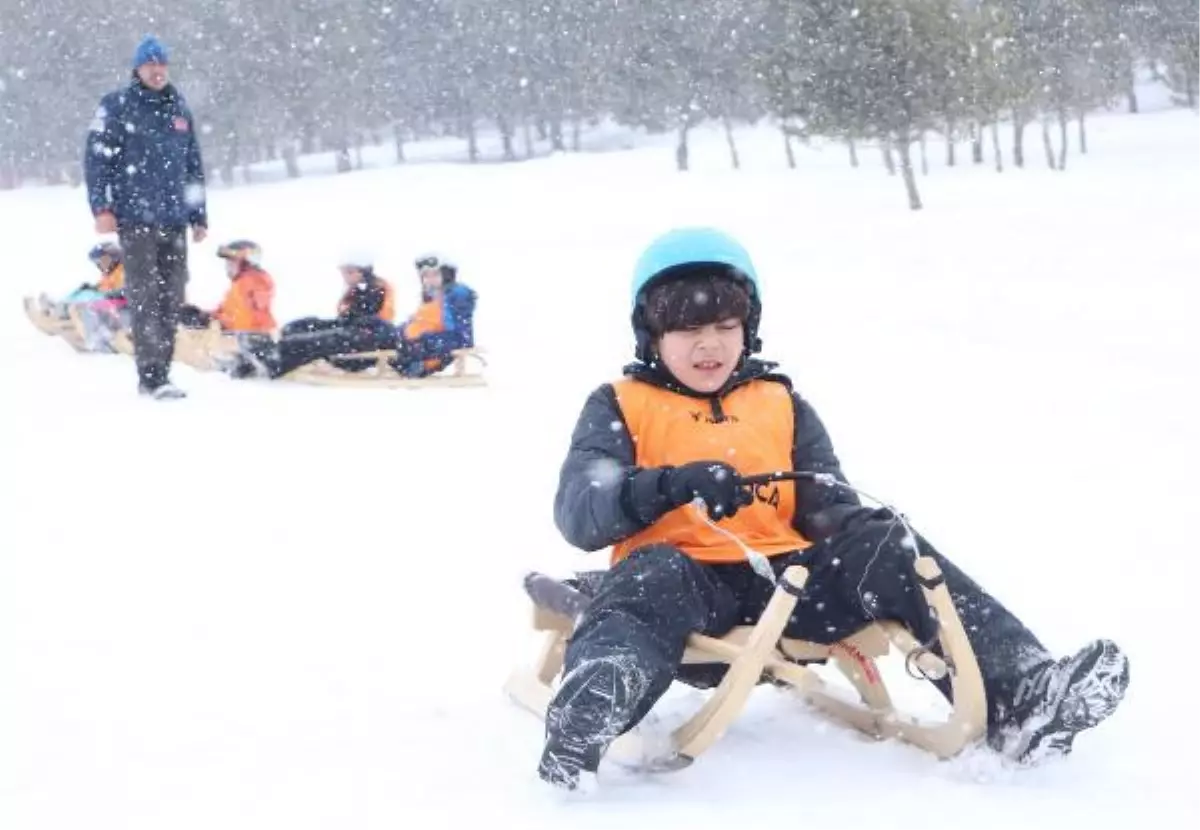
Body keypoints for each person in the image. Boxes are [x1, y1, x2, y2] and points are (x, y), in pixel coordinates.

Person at [537, 227, 1130, 790]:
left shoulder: (780, 403)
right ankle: (594, 706)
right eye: (687, 328)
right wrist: (669, 486)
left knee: (883, 541)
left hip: (790, 585)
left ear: (750, 327)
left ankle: (1025, 693)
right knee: (651, 577)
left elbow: (826, 507)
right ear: (651, 335)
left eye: (724, 323)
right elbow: (581, 512)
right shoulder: (620, 403)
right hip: (685, 590)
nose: (709, 343)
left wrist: (861, 533)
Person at [83, 34, 208, 400]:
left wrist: (198, 214)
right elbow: (97, 161)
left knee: (172, 296)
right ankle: (151, 376)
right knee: (145, 296)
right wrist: (102, 209)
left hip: (173, 220)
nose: (158, 70)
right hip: (136, 218)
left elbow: (193, 166)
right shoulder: (117, 106)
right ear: (138, 69)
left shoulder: (179, 109)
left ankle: (163, 372)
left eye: (162, 63)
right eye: (151, 64)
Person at [225, 255, 396, 379]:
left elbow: (369, 320)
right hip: (354, 332)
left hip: (369, 341)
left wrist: (345, 322)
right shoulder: (358, 288)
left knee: (316, 339)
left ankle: (273, 364)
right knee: (300, 327)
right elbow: (347, 319)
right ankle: (260, 356)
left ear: (361, 272)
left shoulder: (375, 288)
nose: (344, 276)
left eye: (348, 272)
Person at [388, 253, 477, 377]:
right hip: (414, 347)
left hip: (430, 351)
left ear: (446, 275)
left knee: (408, 346)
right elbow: (421, 321)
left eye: (435, 274)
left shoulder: (456, 294)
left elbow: (461, 338)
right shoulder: (431, 297)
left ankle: (417, 364)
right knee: (387, 337)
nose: (430, 280)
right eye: (425, 276)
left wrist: (424, 342)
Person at [35, 242, 130, 352]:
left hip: (119, 304)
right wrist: (93, 288)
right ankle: (57, 308)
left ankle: (93, 335)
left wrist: (107, 293)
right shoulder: (109, 274)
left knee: (86, 304)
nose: (100, 264)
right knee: (84, 293)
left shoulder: (123, 271)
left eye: (103, 260)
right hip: (110, 301)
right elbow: (105, 286)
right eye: (98, 262)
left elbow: (124, 289)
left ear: (114, 257)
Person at [179, 240, 277, 335]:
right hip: (245, 339)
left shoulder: (251, 282)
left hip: (251, 341)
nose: (227, 267)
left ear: (246, 262)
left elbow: (244, 322)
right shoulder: (240, 283)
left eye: (232, 262)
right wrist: (205, 316)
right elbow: (228, 311)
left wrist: (215, 323)